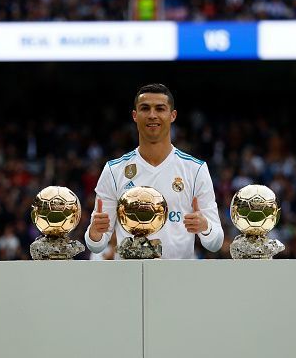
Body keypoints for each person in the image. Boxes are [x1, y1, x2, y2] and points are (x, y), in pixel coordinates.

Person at [85, 83, 223, 259]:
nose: (152, 115)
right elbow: (96, 245)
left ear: (172, 115)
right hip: (130, 279)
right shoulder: (114, 170)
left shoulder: (195, 169)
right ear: (135, 116)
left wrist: (205, 227)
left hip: (177, 279)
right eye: (145, 108)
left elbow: (216, 243)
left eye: (160, 109)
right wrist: (95, 233)